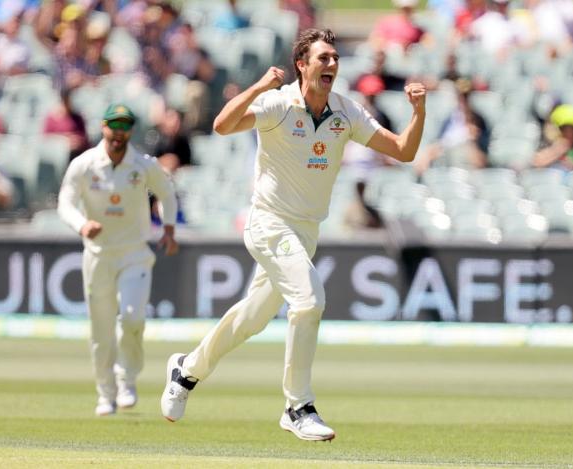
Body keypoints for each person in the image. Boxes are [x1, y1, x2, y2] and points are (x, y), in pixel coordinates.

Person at [160, 28, 426, 441]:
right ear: (302, 65)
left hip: (305, 231)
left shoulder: (346, 112)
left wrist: (419, 113)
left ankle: (186, 370)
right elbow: (222, 125)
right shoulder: (279, 103)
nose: (332, 65)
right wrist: (260, 85)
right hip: (268, 222)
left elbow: (404, 152)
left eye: (335, 58)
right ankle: (297, 405)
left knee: (251, 318)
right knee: (309, 300)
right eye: (323, 58)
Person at [58, 103, 179, 416]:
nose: (119, 133)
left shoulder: (142, 165)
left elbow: (166, 192)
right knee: (101, 330)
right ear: (103, 127)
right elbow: (65, 203)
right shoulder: (84, 164)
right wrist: (82, 225)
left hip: (135, 253)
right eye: (114, 125)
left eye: (125, 126)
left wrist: (168, 227)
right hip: (97, 255)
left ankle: (127, 380)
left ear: (131, 131)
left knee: (132, 319)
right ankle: (105, 393)